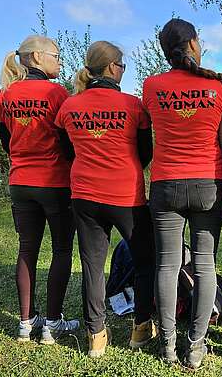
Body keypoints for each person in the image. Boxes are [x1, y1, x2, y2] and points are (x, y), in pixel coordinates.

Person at [142, 18, 222, 369]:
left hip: (165, 185)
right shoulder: (220, 89)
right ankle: (195, 346)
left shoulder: (151, 86)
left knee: (167, 265)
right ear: (194, 44)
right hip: (208, 185)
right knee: (205, 263)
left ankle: (167, 345)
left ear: (164, 50)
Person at [54, 41, 156, 358]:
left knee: (92, 267)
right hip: (126, 195)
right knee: (144, 262)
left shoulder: (69, 107)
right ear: (112, 67)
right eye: (122, 65)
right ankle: (141, 328)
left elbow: (67, 151)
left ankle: (96, 335)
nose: (123, 70)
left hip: (84, 196)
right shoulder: (133, 105)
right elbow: (146, 154)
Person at [0, 35, 79, 344]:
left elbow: (7, 143)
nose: (60, 61)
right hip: (55, 182)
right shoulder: (57, 94)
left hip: (19, 182)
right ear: (37, 58)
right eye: (56, 56)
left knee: (27, 249)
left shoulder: (5, 94)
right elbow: (68, 143)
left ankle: (25, 322)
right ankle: (53, 323)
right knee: (60, 250)